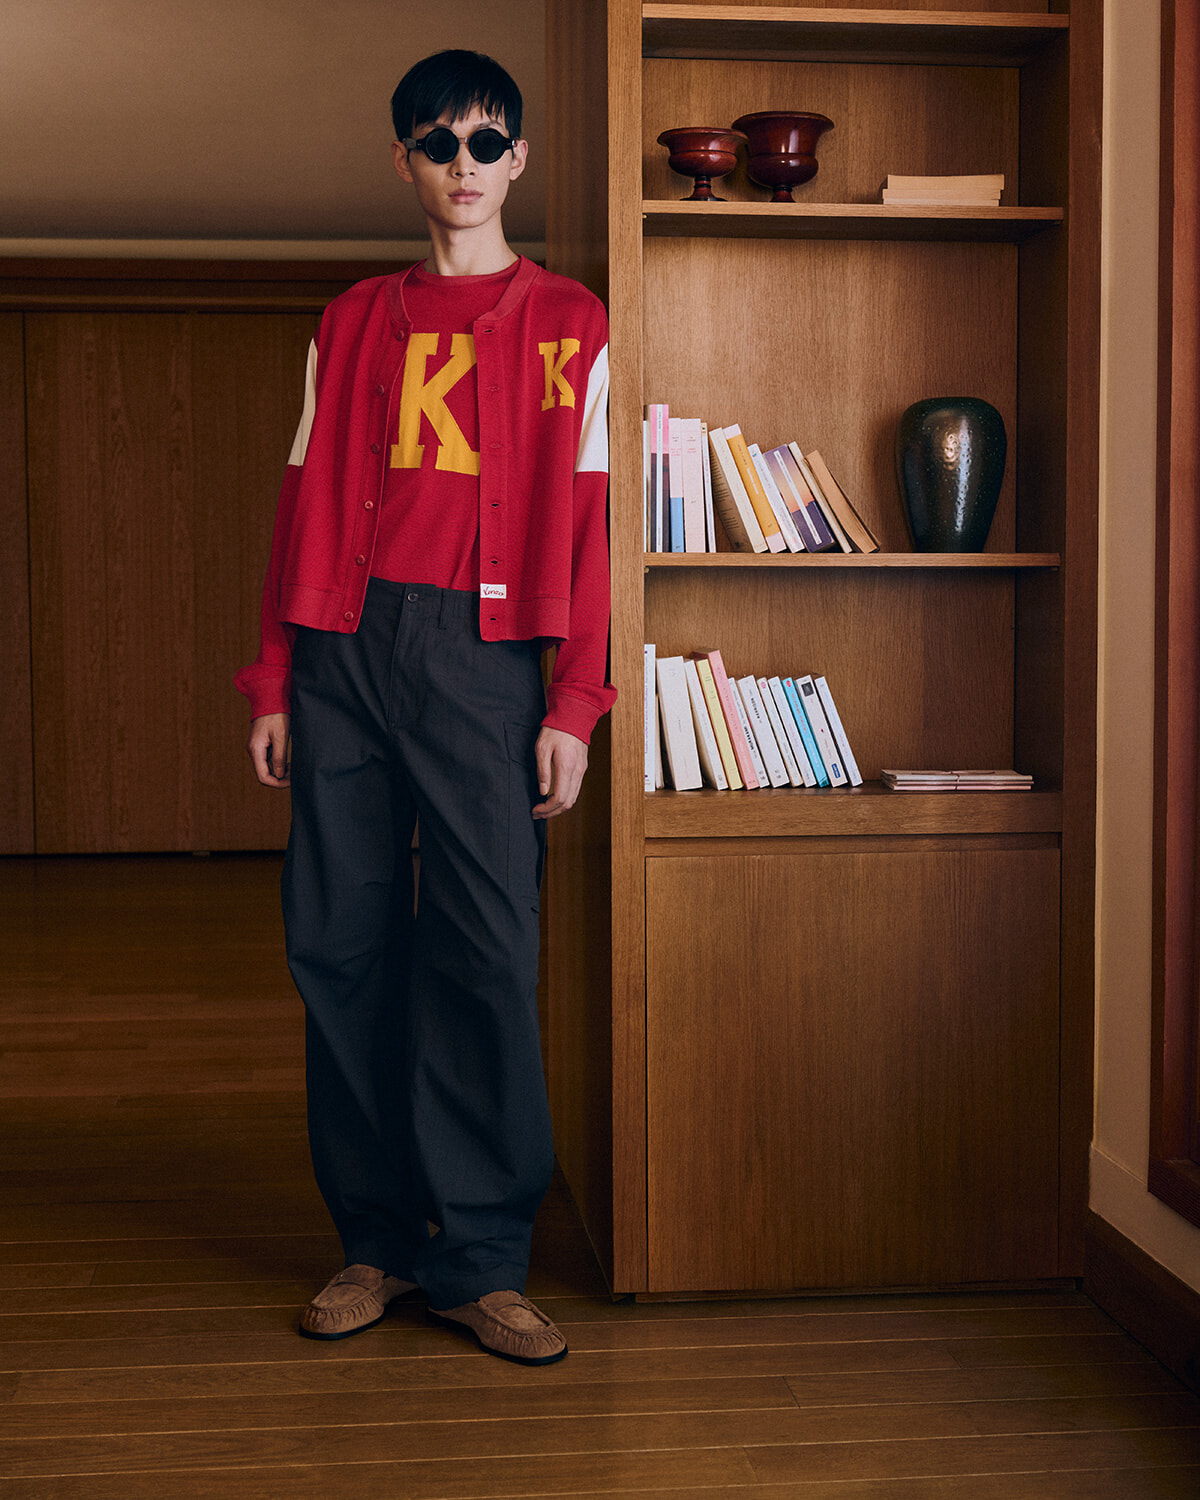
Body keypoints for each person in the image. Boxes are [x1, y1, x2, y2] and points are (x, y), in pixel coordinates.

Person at [235, 48, 614, 1367]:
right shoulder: (350, 319)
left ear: (519, 159)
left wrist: (575, 700)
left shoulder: (574, 322)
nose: (464, 160)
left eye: (487, 138)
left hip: (485, 656)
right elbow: (300, 493)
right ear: (403, 160)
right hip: (346, 646)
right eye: (437, 139)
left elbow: (594, 515)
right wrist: (277, 673)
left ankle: (483, 1260)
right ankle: (376, 1242)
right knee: (339, 948)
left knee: (486, 954)